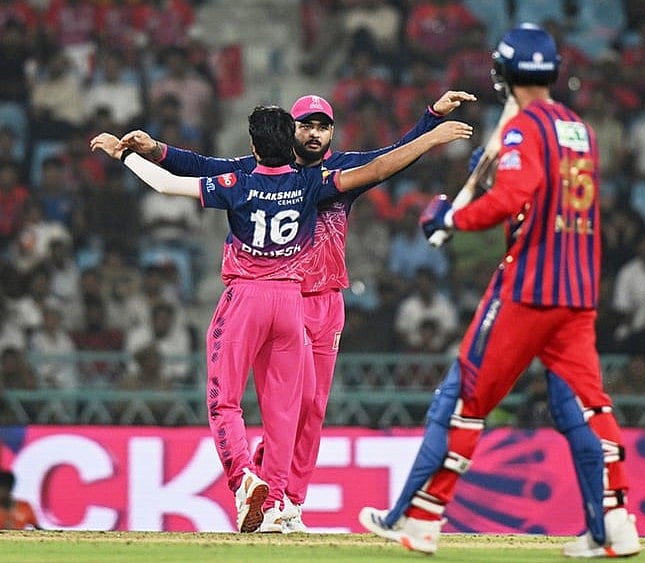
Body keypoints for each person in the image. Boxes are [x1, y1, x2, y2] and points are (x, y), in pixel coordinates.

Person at [91, 106, 472, 533]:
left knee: (239, 402)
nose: (313, 132)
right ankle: (274, 500)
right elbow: (383, 165)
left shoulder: (241, 179)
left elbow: (170, 183)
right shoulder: (312, 181)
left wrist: (122, 154)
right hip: (290, 299)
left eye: (322, 125)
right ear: (290, 137)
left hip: (259, 297)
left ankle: (252, 486)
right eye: (305, 125)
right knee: (287, 413)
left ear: (256, 144)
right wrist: (433, 136)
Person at [359, 24, 641, 558]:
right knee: (592, 408)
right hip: (577, 291)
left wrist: (452, 215)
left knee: (465, 399)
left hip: (529, 287)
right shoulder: (578, 128)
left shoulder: (522, 129)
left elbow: (513, 196)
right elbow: (545, 197)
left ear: (503, 74)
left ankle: (421, 519)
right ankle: (616, 520)